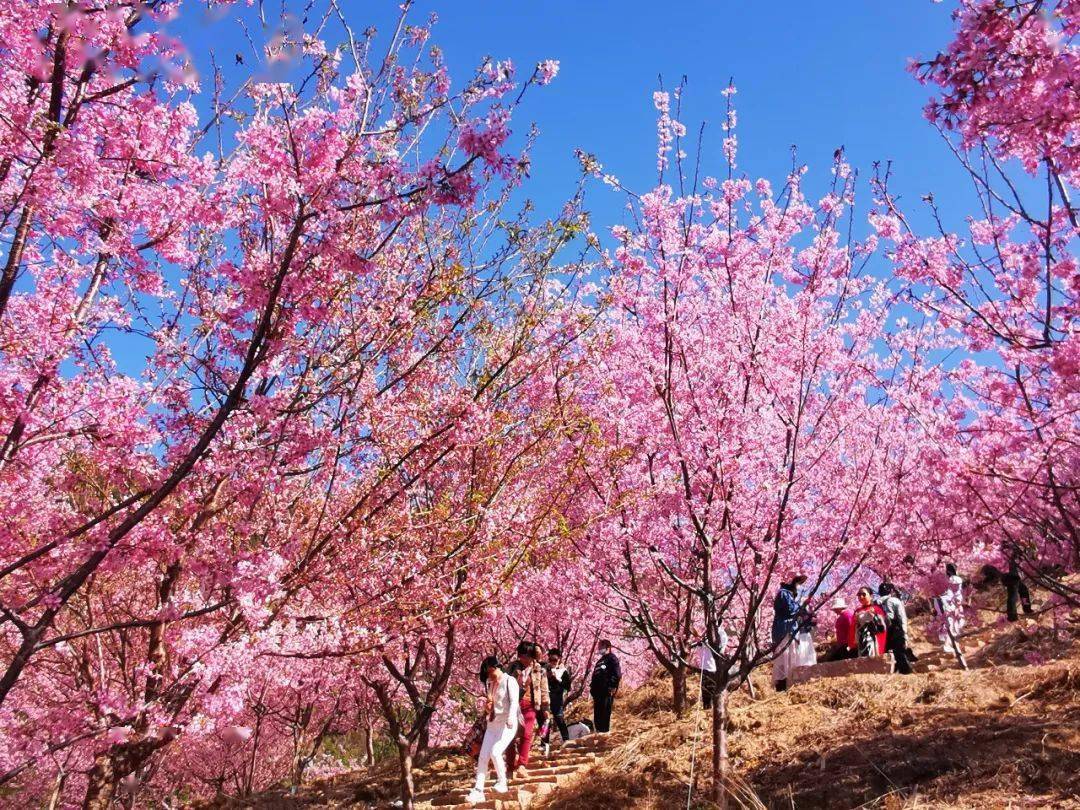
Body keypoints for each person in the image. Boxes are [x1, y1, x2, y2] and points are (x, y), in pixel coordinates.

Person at [467, 657, 518, 805]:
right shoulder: (491, 684)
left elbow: (514, 701)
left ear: (497, 667)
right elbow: (491, 704)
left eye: (491, 672)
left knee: (495, 752)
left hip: (507, 724)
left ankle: (502, 782)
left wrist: (510, 717)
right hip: (492, 725)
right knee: (483, 756)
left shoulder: (510, 681)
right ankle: (478, 790)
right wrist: (488, 707)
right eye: (487, 674)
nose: (490, 676)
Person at [506, 642, 549, 776]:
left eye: (526, 656)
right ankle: (510, 765)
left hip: (530, 704)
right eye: (521, 656)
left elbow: (544, 689)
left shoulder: (539, 669)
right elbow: (504, 684)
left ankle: (522, 765)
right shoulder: (513, 667)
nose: (523, 659)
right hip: (513, 705)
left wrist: (545, 707)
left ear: (532, 656)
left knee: (527, 734)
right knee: (510, 736)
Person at [771, 573, 807, 692]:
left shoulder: (788, 594)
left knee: (791, 656)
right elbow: (790, 610)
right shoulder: (784, 593)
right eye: (797, 583)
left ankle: (790, 683)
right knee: (785, 656)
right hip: (784, 630)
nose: (799, 586)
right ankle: (783, 685)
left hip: (789, 629)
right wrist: (802, 605)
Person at [877, 582, 912, 674]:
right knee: (900, 652)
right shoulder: (895, 600)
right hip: (896, 629)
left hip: (883, 632)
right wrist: (904, 632)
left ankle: (891, 672)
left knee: (887, 653)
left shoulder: (876, 603)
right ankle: (905, 672)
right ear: (891, 591)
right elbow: (901, 617)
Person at [589, 639, 621, 733]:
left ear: (608, 647)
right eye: (599, 647)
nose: (599, 649)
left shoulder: (612, 658)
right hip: (597, 693)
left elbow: (617, 674)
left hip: (606, 691)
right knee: (597, 715)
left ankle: (604, 735)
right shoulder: (600, 661)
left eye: (601, 647)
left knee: (604, 714)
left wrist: (611, 686)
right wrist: (592, 689)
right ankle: (599, 733)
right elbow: (596, 675)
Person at [543, 648, 572, 748]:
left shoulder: (563, 672)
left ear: (559, 659)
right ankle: (544, 742)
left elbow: (568, 686)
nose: (552, 662)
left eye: (555, 660)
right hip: (546, 698)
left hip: (557, 698)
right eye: (550, 660)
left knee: (559, 719)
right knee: (545, 721)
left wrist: (557, 679)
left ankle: (566, 739)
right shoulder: (544, 669)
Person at [935, 563, 965, 653]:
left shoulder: (943, 579)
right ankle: (948, 644)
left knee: (947, 622)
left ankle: (948, 642)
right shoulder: (956, 579)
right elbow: (957, 593)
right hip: (949, 603)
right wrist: (958, 604)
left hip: (939, 602)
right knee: (953, 622)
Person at [853, 587, 887, 657]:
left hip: (873, 638)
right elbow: (854, 628)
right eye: (859, 595)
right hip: (861, 639)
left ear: (871, 596)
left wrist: (875, 617)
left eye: (863, 594)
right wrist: (855, 621)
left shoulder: (876, 609)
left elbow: (883, 628)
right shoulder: (857, 611)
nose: (861, 597)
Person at [1001, 555, 1035, 622]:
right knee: (1013, 597)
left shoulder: (1010, 555)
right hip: (1011, 578)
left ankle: (1026, 608)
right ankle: (1012, 616)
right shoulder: (1006, 555)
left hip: (1014, 578)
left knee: (1023, 591)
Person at [822, 597, 856, 662]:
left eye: (835, 609)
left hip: (848, 644)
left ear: (839, 607)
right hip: (842, 645)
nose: (834, 610)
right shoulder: (841, 616)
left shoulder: (848, 615)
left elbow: (852, 628)